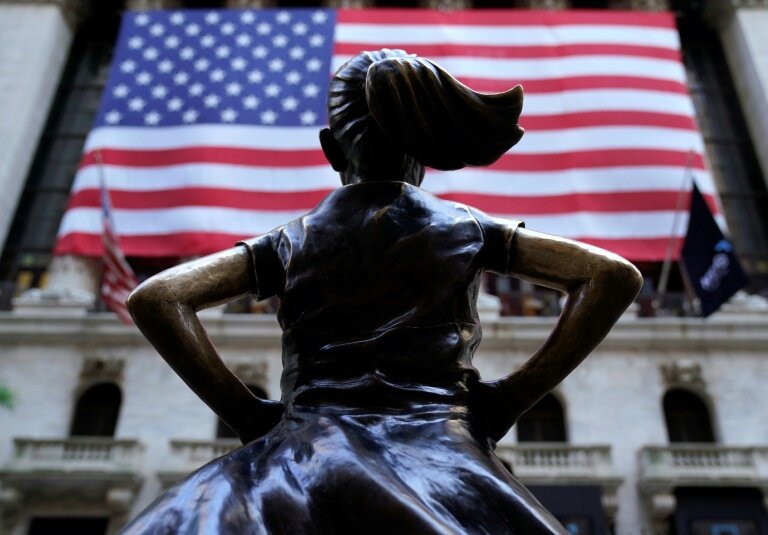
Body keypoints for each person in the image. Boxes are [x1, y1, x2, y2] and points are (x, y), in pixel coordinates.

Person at [123, 49, 642, 534]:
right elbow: (612, 276)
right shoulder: (468, 229)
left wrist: (245, 413)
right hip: (441, 450)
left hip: (306, 451)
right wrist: (509, 400)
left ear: (331, 148)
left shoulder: (290, 241)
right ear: (422, 148)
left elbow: (158, 298)